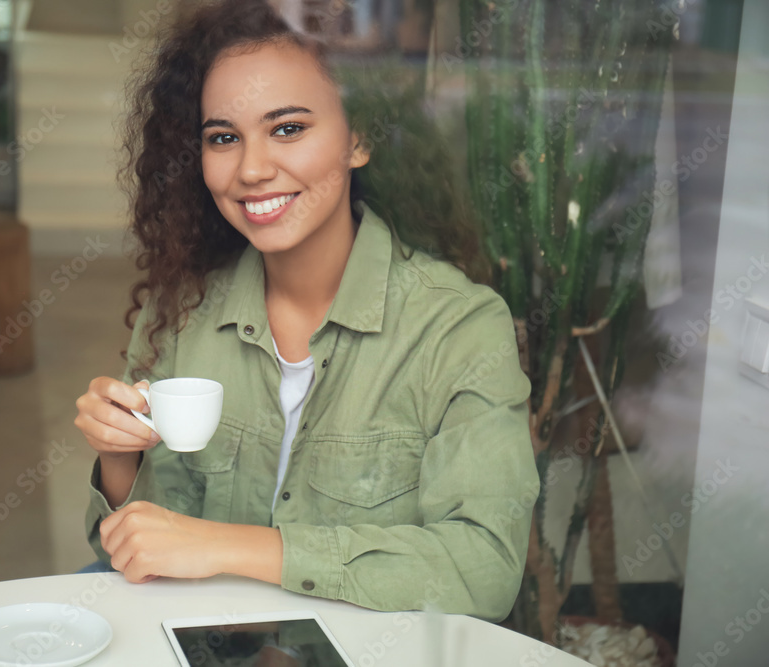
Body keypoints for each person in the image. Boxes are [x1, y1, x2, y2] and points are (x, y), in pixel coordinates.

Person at [74, 0, 538, 619]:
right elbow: (132, 559)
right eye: (223, 138)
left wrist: (234, 547)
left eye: (288, 128)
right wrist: (118, 456)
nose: (253, 169)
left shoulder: (457, 327)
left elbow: (482, 570)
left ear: (359, 138)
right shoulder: (180, 310)